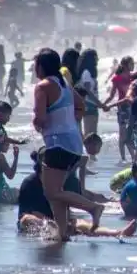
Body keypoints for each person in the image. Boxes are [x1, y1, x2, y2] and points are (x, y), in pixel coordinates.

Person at [32, 47, 104, 241]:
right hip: (73, 144)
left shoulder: (42, 86)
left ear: (42, 66)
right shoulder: (63, 83)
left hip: (58, 144)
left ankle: (93, 207)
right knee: (56, 192)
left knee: (52, 191)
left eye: (35, 64)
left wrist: (37, 124)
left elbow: (40, 118)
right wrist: (70, 123)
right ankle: (62, 234)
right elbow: (81, 105)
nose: (34, 68)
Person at [18, 150, 136, 238]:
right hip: (36, 219)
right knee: (28, 219)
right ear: (41, 168)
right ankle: (56, 231)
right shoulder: (30, 183)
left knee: (81, 223)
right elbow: (32, 212)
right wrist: (53, 223)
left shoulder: (66, 181)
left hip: (58, 219)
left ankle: (116, 232)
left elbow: (71, 203)